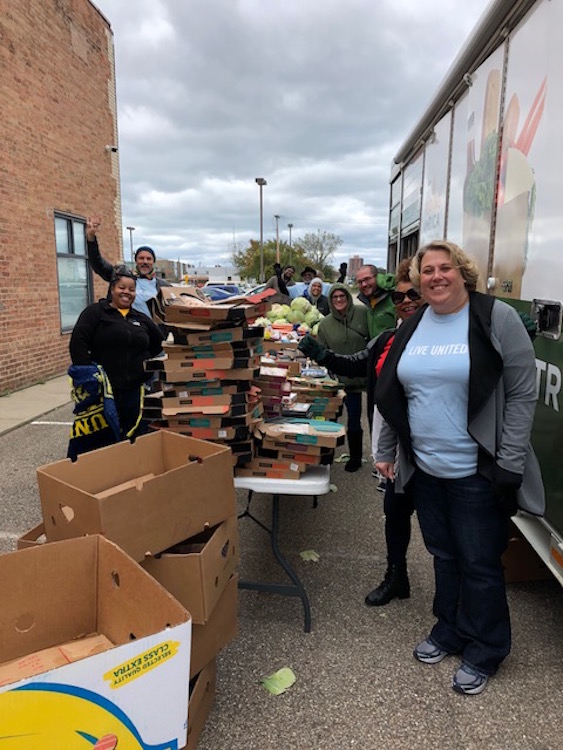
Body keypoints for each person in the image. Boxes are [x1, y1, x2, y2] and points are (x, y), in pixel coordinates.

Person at [374, 240, 544, 696]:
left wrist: (508, 462)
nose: (435, 277)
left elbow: (523, 394)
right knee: (444, 556)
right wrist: (386, 450)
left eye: (444, 267)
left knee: (480, 563)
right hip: (426, 469)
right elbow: (394, 393)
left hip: (476, 471)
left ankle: (487, 647)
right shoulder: (413, 325)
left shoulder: (494, 318)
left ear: (461, 271)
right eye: (426, 270)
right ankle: (449, 629)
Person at [299, 259, 424, 602]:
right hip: (399, 443)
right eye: (399, 298)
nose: (407, 301)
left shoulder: (447, 336)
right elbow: (355, 363)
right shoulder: (388, 338)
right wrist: (322, 354)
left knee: (441, 526)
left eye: (414, 294)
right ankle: (396, 577)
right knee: (395, 512)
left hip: (436, 446)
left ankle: (454, 598)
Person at [69, 265, 164, 455]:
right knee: (101, 441)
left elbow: (158, 344)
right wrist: (88, 374)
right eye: (122, 287)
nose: (126, 293)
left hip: (135, 391)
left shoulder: (141, 319)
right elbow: (78, 342)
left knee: (134, 439)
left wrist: (144, 365)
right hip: (103, 392)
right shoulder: (96, 312)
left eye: (131, 289)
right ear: (112, 288)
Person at [314, 283, 369, 472]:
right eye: (335, 297)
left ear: (348, 297)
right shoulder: (325, 324)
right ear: (330, 300)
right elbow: (322, 352)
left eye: (342, 296)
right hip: (343, 380)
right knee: (345, 418)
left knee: (372, 418)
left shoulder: (363, 314)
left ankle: (370, 455)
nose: (339, 300)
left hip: (368, 375)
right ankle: (342, 456)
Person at [85, 215, 171, 323]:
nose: (145, 261)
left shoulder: (164, 286)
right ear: (136, 261)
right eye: (141, 258)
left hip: (151, 333)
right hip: (123, 329)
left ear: (153, 262)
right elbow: (98, 263)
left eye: (148, 259)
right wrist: (91, 238)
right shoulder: (121, 276)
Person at [356, 264, 396, 339]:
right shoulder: (369, 303)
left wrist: (387, 282)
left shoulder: (394, 296)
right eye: (360, 282)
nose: (364, 284)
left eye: (367, 279)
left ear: (377, 277)